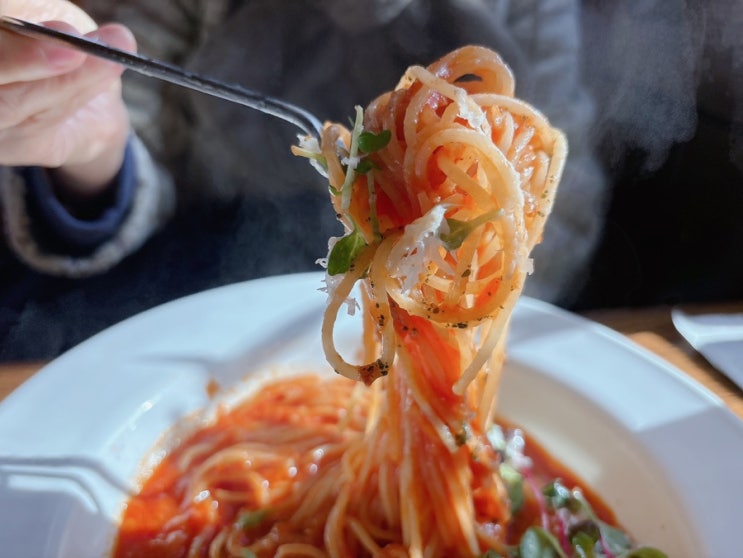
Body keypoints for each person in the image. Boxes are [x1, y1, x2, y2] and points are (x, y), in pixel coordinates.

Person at [0, 0, 608, 360]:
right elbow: (139, 129)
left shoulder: (531, 14)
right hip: (198, 276)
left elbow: (557, 193)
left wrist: (467, 337)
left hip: (451, 304)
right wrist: (97, 144)